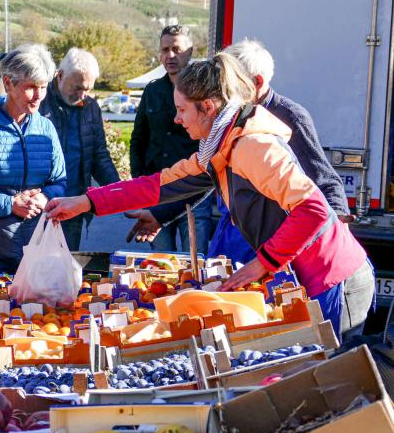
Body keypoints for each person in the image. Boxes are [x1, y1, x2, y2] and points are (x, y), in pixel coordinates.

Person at [45, 52, 375, 342]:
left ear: (206, 108)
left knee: (331, 380)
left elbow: (315, 210)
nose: (177, 119)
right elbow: (155, 186)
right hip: (308, 278)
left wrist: (262, 263)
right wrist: (86, 201)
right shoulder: (218, 150)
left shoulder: (252, 147)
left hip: (335, 278)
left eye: (181, 110)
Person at [130, 39, 353, 266]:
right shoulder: (225, 121)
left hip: (269, 238)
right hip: (233, 231)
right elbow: (205, 178)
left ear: (256, 82)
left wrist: (335, 225)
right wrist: (162, 214)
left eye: (228, 83)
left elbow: (323, 178)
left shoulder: (290, 116)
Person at [0, 43, 67, 273]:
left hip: (37, 254)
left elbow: (59, 181)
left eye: (44, 87)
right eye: (31, 87)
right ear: (8, 83)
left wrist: (45, 198)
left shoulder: (46, 129)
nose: (38, 96)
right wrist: (9, 204)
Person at [128, 25, 212, 254]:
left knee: (194, 261)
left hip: (193, 191)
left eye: (177, 48)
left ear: (191, 51)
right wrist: (139, 179)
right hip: (157, 189)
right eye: (165, 50)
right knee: (160, 264)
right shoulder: (152, 91)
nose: (170, 55)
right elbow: (138, 138)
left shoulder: (204, 92)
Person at [39, 47, 120, 250]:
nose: (82, 94)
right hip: (39, 203)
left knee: (64, 269)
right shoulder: (38, 102)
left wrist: (120, 191)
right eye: (77, 88)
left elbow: (99, 156)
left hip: (73, 205)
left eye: (88, 89)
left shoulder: (91, 107)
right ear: (59, 75)